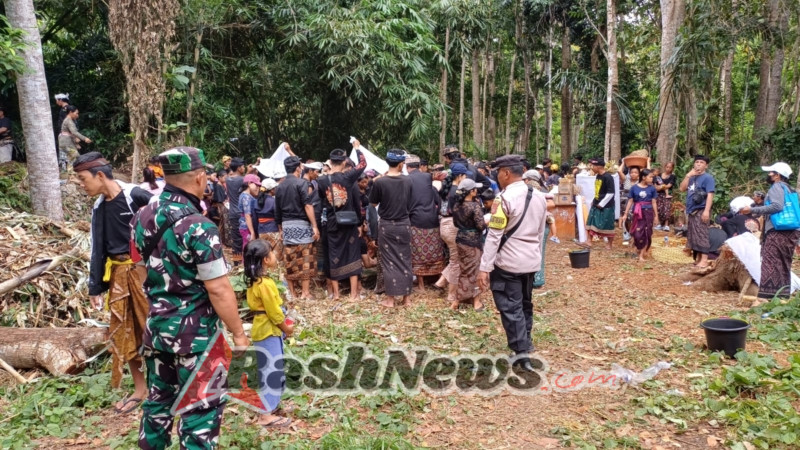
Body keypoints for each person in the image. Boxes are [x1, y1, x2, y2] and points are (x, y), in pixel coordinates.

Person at [132, 147, 249, 449]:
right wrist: (238, 334)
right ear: (198, 178)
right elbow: (219, 289)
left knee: (158, 404)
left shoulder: (142, 216)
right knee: (201, 409)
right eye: (206, 175)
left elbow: (140, 271)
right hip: (196, 338)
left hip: (157, 330)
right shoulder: (200, 226)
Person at [72, 152, 152, 415]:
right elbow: (98, 248)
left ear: (101, 175)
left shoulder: (136, 196)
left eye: (83, 179)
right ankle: (141, 390)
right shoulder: (98, 207)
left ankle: (169, 385)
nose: (82, 185)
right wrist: (95, 286)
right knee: (124, 331)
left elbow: (163, 225)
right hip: (118, 276)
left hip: (144, 272)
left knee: (155, 327)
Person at [477, 155, 549, 372]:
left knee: (511, 306)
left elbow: (494, 235)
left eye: (498, 172)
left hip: (508, 262)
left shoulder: (503, 199)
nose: (497, 176)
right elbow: (539, 231)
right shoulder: (539, 196)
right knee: (526, 302)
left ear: (506, 173)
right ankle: (526, 341)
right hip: (530, 261)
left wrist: (485, 267)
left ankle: (521, 353)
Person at [243, 240, 294, 428]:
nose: (274, 257)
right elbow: (273, 312)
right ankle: (265, 415)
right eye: (272, 254)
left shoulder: (256, 281)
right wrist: (286, 327)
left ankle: (273, 405)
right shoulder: (265, 284)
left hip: (265, 330)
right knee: (271, 370)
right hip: (268, 330)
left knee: (274, 367)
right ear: (266, 259)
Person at [740, 162, 800, 300]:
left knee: (770, 263)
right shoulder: (790, 190)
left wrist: (752, 210)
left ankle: (765, 298)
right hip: (791, 231)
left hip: (778, 231)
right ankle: (782, 296)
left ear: (777, 175)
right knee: (783, 264)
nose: (768, 175)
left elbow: (777, 206)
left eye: (771, 172)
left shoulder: (777, 186)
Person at [318, 148, 367, 301]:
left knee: (333, 255)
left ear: (330, 161)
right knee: (352, 255)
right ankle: (353, 295)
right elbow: (363, 163)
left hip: (332, 223)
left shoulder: (322, 180)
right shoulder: (348, 177)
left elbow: (322, 202)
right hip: (349, 222)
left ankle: (336, 294)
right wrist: (357, 148)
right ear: (345, 161)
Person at [370, 150, 414, 307]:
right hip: (404, 224)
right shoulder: (408, 181)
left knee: (389, 261)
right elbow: (411, 202)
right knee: (405, 259)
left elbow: (373, 205)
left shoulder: (380, 182)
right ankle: (406, 298)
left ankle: (390, 300)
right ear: (401, 164)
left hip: (387, 225)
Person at [275, 156, 320, 300]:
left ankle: (293, 292)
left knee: (290, 258)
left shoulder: (280, 186)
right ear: (297, 168)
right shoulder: (302, 183)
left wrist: (280, 229)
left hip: (287, 225)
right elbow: (307, 205)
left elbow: (277, 210)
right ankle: (305, 293)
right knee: (305, 257)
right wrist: (314, 226)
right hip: (301, 223)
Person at [406, 154, 445, 289]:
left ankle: (421, 285)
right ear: (419, 166)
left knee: (418, 252)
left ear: (407, 167)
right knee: (436, 250)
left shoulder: (407, 179)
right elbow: (437, 199)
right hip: (432, 218)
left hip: (416, 219)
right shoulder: (428, 176)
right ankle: (439, 279)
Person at [436, 163, 470, 304]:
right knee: (456, 261)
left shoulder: (445, 188)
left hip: (443, 224)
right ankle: (451, 294)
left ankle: (442, 280)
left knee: (454, 258)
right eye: (465, 175)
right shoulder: (458, 191)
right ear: (460, 176)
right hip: (453, 226)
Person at [451, 178, 486, 310]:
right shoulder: (475, 206)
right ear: (471, 192)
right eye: (475, 189)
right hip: (473, 242)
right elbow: (481, 226)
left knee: (464, 270)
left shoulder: (456, 205)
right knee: (474, 271)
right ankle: (473, 301)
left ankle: (461, 299)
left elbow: (455, 223)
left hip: (460, 239)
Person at [680, 154, 715, 268]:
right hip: (691, 209)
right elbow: (682, 188)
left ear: (706, 166)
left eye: (702, 162)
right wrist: (688, 175)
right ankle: (698, 258)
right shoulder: (691, 177)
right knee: (693, 235)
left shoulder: (708, 178)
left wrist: (706, 211)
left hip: (701, 209)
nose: (698, 164)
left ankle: (704, 260)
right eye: (697, 162)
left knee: (701, 234)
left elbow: (710, 195)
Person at [621, 169, 659, 262]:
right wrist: (625, 214)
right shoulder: (634, 188)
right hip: (638, 213)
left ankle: (641, 254)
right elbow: (630, 201)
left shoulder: (652, 188)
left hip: (648, 212)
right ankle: (637, 247)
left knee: (647, 233)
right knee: (637, 233)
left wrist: (656, 216)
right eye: (650, 177)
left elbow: (654, 202)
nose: (652, 179)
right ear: (643, 177)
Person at [585, 158, 617, 249]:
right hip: (597, 201)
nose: (592, 168)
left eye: (593, 166)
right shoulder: (598, 176)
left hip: (606, 205)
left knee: (608, 224)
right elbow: (598, 190)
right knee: (591, 221)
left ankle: (610, 244)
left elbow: (611, 193)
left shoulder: (608, 177)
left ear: (598, 167)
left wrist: (602, 203)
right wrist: (594, 200)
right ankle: (589, 241)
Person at [226, 157, 246, 259]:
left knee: (236, 239)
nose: (244, 168)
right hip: (242, 213)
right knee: (245, 237)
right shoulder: (242, 180)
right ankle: (246, 261)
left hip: (233, 213)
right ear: (239, 168)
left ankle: (237, 263)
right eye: (243, 166)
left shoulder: (227, 179)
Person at [239, 174, 262, 252]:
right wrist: (252, 232)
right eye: (256, 185)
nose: (257, 188)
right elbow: (247, 215)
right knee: (249, 248)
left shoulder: (247, 195)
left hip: (247, 226)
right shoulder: (246, 197)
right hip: (247, 228)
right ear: (249, 183)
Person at [654, 162, 676, 231]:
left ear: (672, 168)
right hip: (658, 194)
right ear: (664, 167)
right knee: (659, 209)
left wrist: (661, 187)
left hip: (667, 195)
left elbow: (669, 185)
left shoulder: (672, 176)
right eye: (667, 167)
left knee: (666, 209)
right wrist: (659, 187)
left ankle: (666, 225)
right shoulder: (659, 175)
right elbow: (655, 184)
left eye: (670, 167)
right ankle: (660, 224)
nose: (668, 169)